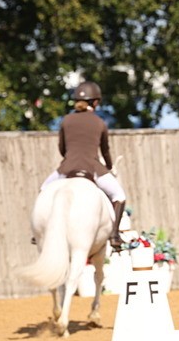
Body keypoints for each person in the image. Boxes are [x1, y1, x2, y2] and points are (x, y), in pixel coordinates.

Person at [40, 81, 128, 249]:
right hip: (92, 168)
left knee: (43, 190)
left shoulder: (66, 120)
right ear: (95, 102)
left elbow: (62, 148)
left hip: (66, 168)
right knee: (119, 196)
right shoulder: (99, 123)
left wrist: (71, 159)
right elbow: (105, 150)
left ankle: (40, 233)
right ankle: (115, 235)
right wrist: (109, 167)